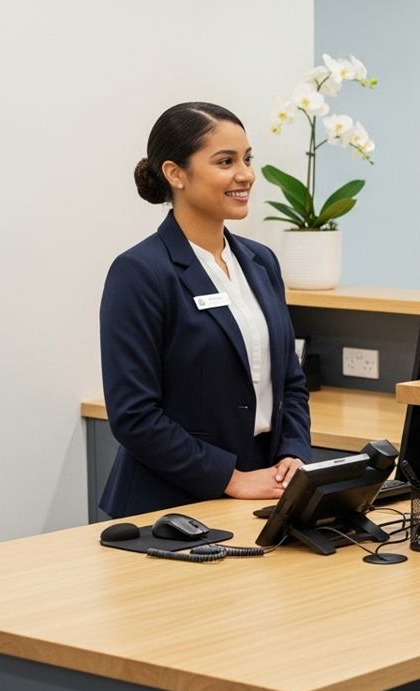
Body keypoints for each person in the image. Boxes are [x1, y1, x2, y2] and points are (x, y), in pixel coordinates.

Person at [98, 102, 311, 517]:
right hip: (168, 507)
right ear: (175, 173)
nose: (245, 174)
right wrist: (231, 479)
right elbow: (134, 416)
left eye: (247, 159)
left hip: (263, 488)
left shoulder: (261, 262)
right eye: (225, 161)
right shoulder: (140, 272)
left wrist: (293, 454)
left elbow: (290, 380)